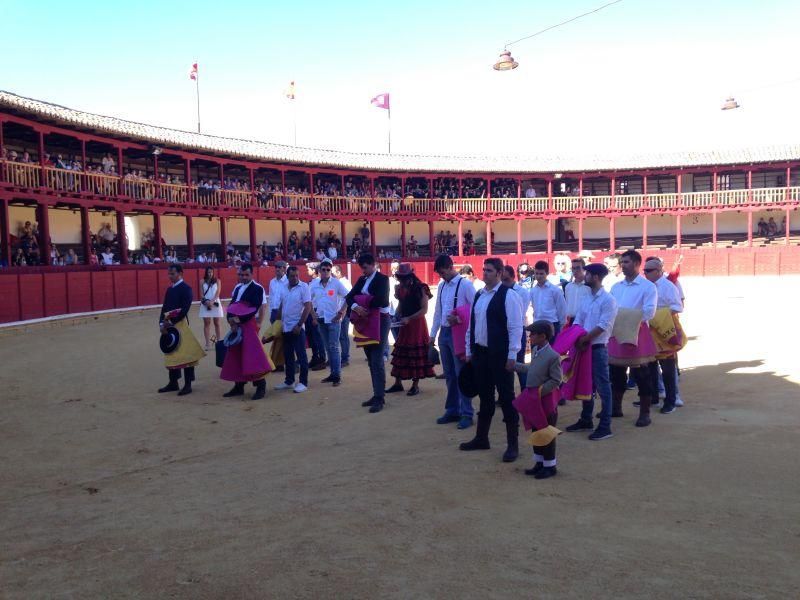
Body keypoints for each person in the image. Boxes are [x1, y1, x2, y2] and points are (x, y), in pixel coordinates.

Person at [460, 258, 524, 462]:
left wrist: (512, 355)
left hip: (500, 355)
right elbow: (473, 325)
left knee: (506, 398)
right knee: (485, 397)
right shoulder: (479, 295)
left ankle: (513, 445)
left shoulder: (509, 296)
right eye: (484, 270)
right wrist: (469, 350)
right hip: (481, 354)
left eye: (489, 270)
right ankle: (481, 438)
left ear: (500, 273)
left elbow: (516, 328)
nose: (485, 273)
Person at [564, 263, 618, 440]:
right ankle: (586, 419)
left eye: (587, 274)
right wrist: (578, 338)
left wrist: (583, 339)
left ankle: (605, 426)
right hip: (584, 346)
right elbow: (578, 320)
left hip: (596, 348)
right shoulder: (587, 298)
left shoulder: (608, 300)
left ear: (595, 277)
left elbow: (603, 326)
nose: (584, 276)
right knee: (586, 383)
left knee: (603, 387)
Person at [608, 250, 658, 427]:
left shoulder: (648, 287)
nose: (623, 265)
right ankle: (616, 407)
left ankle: (645, 413)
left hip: (637, 330)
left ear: (637, 264)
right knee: (616, 372)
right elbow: (610, 308)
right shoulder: (616, 286)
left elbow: (649, 312)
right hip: (618, 330)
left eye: (627, 262)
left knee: (642, 374)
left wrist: (626, 318)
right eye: (622, 262)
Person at [340, 253, 390, 413]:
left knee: (376, 360)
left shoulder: (383, 279)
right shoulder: (362, 280)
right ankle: (377, 394)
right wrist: (356, 307)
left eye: (366, 267)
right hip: (366, 321)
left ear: (373, 264)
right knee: (370, 360)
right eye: (362, 268)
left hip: (380, 321)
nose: (363, 271)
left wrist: (362, 301)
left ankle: (380, 397)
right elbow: (349, 297)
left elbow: (382, 300)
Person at [431, 254, 477, 429]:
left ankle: (467, 413)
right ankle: (452, 410)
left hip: (459, 333)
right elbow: (438, 311)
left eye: (443, 272)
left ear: (451, 267)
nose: (441, 276)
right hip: (444, 332)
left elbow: (475, 309)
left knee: (461, 375)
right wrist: (433, 334)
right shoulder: (442, 286)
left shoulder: (465, 284)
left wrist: (459, 321)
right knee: (449, 375)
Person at [513, 320, 563, 479]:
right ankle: (540, 463)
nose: (530, 337)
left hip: (544, 401)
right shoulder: (536, 350)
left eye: (532, 334)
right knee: (537, 431)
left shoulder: (553, 356)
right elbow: (531, 369)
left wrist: (539, 392)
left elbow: (556, 380)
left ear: (543, 336)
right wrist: (514, 366)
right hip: (535, 401)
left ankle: (550, 466)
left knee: (546, 433)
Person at [221, 263, 270, 400]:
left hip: (248, 324)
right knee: (237, 355)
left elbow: (254, 308)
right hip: (236, 325)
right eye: (241, 275)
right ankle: (239, 386)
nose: (243, 277)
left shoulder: (257, 288)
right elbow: (232, 305)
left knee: (252, 355)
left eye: (246, 275)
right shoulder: (237, 287)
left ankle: (261, 386)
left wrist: (238, 320)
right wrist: (230, 319)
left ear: (252, 274)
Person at [385, 264, 435, 396]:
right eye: (400, 278)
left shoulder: (421, 288)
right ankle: (398, 383)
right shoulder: (400, 288)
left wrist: (409, 318)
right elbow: (401, 304)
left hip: (417, 325)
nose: (402, 280)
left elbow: (424, 310)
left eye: (404, 277)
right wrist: (396, 316)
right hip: (404, 324)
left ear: (410, 276)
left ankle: (415, 385)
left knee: (415, 354)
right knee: (401, 352)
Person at [644, 258, 683, 414]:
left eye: (649, 271)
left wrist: (658, 316)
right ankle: (654, 396)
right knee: (650, 366)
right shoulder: (646, 286)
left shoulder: (668, 286)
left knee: (667, 367)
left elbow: (678, 307)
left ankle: (671, 400)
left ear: (659, 271)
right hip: (649, 329)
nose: (645, 274)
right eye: (644, 271)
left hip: (665, 328)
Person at [157, 264, 205, 395]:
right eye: (169, 274)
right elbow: (164, 308)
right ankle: (173, 382)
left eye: (172, 274)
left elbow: (184, 310)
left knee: (186, 354)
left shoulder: (186, 289)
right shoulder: (170, 290)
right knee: (171, 353)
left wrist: (170, 322)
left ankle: (188, 384)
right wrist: (161, 323)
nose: (170, 276)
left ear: (180, 274)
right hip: (169, 325)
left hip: (181, 324)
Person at [310, 259, 349, 386]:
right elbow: (307, 300)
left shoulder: (336, 283)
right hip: (321, 319)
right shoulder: (314, 284)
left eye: (328, 269)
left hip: (334, 320)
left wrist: (341, 312)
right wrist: (313, 315)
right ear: (319, 271)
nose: (326, 271)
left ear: (330, 270)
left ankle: (336, 375)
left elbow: (348, 297)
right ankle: (333, 373)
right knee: (328, 348)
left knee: (333, 347)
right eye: (324, 269)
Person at [274, 266, 312, 393]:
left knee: (301, 355)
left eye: (297, 275)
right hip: (285, 327)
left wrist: (300, 324)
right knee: (288, 355)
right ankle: (289, 381)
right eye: (292, 276)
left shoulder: (304, 287)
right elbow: (282, 305)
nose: (295, 278)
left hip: (297, 327)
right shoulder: (284, 287)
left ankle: (303, 382)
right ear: (287, 275)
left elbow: (307, 307)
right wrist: (277, 323)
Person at [501, 265, 532, 388]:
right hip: (503, 332)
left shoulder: (522, 292)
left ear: (513, 278)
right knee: (503, 365)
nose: (504, 283)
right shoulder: (499, 291)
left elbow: (519, 314)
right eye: (502, 280)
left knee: (518, 364)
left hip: (517, 329)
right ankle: (505, 396)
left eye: (506, 280)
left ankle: (526, 395)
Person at [530, 260, 567, 340]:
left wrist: (560, 326)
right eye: (536, 273)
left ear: (547, 273)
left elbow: (562, 309)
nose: (538, 276)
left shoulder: (555, 290)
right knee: (537, 351)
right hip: (537, 323)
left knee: (552, 350)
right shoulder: (533, 291)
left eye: (541, 274)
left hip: (551, 324)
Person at [332, 265, 352, 367]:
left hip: (343, 313)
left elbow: (349, 298)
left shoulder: (344, 283)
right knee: (340, 336)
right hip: (338, 312)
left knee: (343, 336)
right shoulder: (337, 282)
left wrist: (343, 312)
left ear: (338, 272)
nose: (332, 274)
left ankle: (345, 358)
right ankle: (343, 357)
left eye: (333, 272)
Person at [199, 266, 224, 350]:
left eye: (211, 272)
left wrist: (212, 301)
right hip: (205, 303)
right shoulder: (202, 281)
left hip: (215, 302)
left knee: (217, 322)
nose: (210, 274)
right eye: (209, 272)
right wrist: (206, 302)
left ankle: (219, 342)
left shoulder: (218, 281)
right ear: (206, 272)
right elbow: (201, 294)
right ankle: (207, 344)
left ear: (213, 273)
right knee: (207, 323)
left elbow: (218, 292)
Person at [564, 257, 591, 324]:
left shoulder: (589, 287)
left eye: (578, 268)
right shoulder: (568, 287)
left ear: (584, 269)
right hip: (570, 320)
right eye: (573, 268)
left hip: (584, 320)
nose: (575, 271)